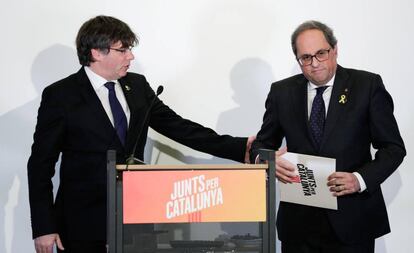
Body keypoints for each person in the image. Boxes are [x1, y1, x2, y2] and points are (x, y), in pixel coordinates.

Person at [27, 15, 254, 253]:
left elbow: (180, 128)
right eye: (122, 50)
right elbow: (40, 165)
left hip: (136, 220)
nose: (131, 56)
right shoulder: (61, 95)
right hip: (81, 224)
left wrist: (239, 148)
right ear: (96, 52)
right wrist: (44, 226)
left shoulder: (137, 86)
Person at [250, 20, 406, 253]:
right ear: (298, 60)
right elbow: (262, 144)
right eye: (305, 58)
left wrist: (360, 179)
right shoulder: (281, 92)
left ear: (335, 49)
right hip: (298, 226)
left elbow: (393, 148)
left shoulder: (367, 85)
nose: (314, 64)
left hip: (353, 221)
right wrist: (266, 161)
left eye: (321, 53)